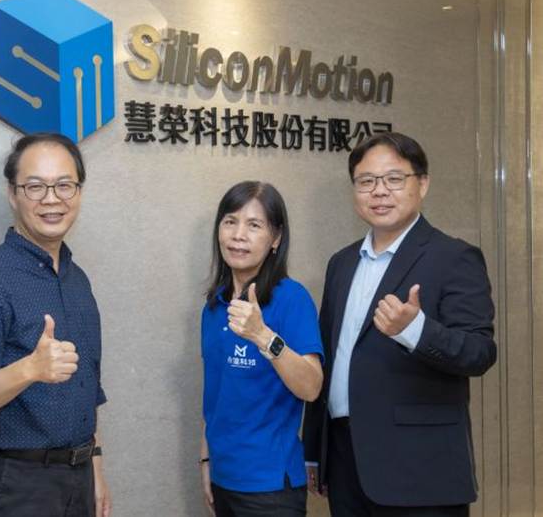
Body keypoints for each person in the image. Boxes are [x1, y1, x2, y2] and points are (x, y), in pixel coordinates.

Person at [303, 132, 497, 516]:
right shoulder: (341, 263)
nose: (379, 191)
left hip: (420, 470)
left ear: (422, 184)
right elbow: (328, 358)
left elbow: (479, 352)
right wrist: (315, 450)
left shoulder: (454, 257)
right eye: (366, 181)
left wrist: (416, 330)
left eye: (394, 179)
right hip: (345, 460)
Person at [0, 132, 111, 517]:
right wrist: (30, 369)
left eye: (64, 185)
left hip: (78, 477)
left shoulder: (77, 280)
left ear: (79, 191)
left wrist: (96, 466)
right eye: (35, 186)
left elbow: (88, 385)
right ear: (12, 193)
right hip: (13, 483)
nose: (52, 199)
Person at [200, 181, 324, 517]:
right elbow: (214, 394)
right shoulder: (214, 306)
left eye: (254, 225)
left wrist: (263, 336)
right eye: (230, 221)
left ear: (276, 238)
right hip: (223, 477)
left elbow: (311, 386)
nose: (238, 235)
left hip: (270, 486)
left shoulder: (291, 298)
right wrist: (206, 459)